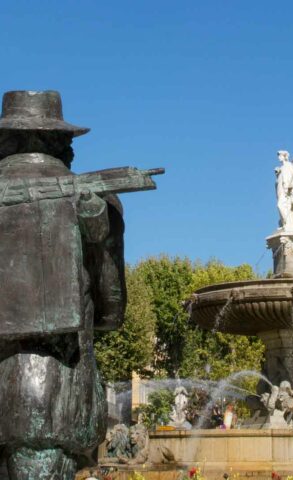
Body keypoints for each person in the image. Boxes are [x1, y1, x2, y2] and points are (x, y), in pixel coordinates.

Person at [0, 91, 127, 479]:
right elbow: (110, 312)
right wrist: (99, 240)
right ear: (61, 143)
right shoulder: (95, 200)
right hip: (48, 393)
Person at [275, 150, 293, 229]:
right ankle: (285, 223)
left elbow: (292, 178)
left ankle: (287, 223)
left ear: (284, 156)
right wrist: (278, 174)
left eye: (280, 156)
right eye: (279, 156)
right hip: (280, 190)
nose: (279, 158)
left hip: (286, 190)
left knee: (281, 205)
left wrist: (289, 188)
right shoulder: (281, 167)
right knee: (282, 205)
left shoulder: (289, 166)